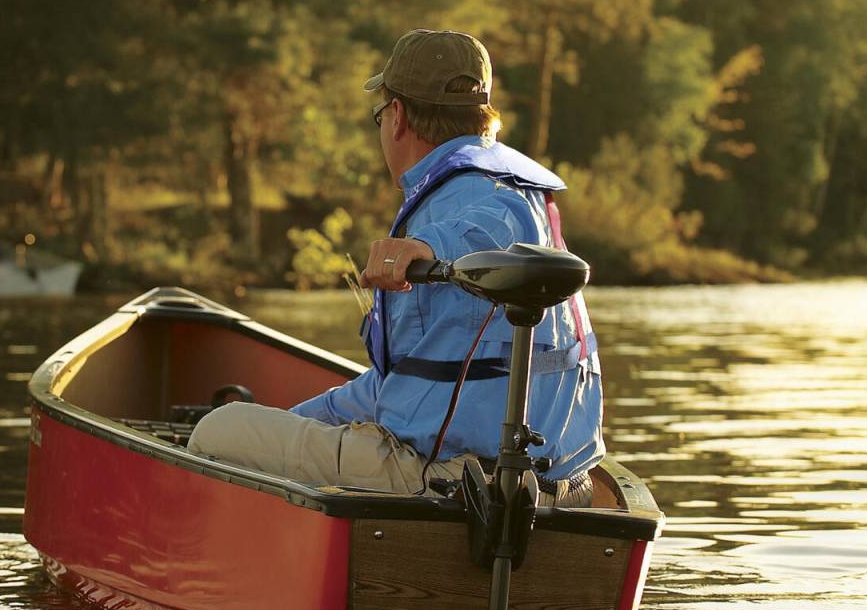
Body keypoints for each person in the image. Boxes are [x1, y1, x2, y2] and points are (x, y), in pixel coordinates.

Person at [188, 29, 603, 503]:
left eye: (380, 113)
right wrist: (293, 418)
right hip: (566, 486)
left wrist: (425, 246)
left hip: (464, 488)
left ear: (398, 116)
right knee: (274, 427)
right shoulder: (517, 188)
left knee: (217, 431)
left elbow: (488, 229)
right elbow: (398, 389)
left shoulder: (473, 199)